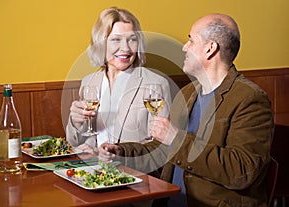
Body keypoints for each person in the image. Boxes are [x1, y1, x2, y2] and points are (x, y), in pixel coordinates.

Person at [99, 13, 274, 207]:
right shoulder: (188, 92)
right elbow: (163, 150)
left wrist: (177, 139)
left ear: (210, 48)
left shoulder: (249, 99)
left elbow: (242, 170)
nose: (184, 47)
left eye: (191, 40)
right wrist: (121, 151)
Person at [66, 7, 171, 152]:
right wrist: (76, 123)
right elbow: (75, 142)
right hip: (94, 171)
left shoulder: (156, 83)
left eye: (132, 40)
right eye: (116, 40)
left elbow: (160, 148)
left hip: (132, 171)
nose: (126, 48)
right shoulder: (88, 82)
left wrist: (118, 154)